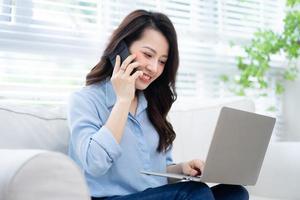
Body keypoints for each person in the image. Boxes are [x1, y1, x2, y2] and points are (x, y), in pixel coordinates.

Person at [67, 9, 249, 200]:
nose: (154, 68)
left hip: (150, 196)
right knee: (195, 193)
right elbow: (95, 163)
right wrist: (123, 100)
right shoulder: (85, 100)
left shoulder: (152, 104)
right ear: (121, 49)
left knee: (235, 193)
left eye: (162, 61)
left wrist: (182, 169)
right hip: (109, 198)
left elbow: (154, 174)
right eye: (148, 54)